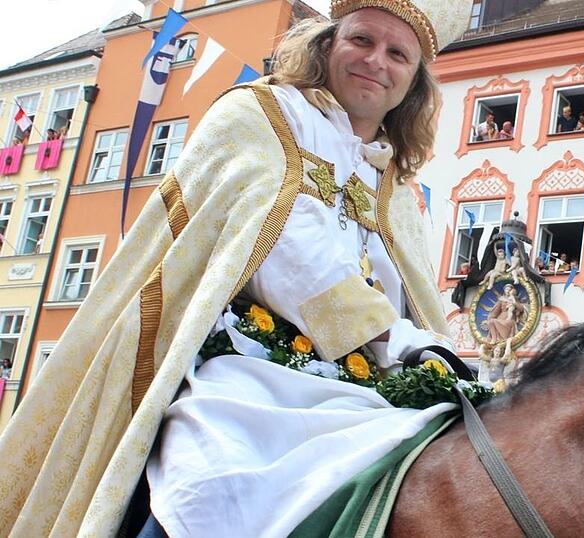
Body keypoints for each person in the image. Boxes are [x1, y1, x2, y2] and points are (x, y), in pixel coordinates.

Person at [0, 2, 476, 537]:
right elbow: (288, 254)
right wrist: (403, 342)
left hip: (370, 380)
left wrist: (433, 358)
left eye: (397, 54)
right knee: (211, 472)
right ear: (326, 44)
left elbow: (407, 293)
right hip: (242, 363)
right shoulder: (261, 114)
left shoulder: (398, 192)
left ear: (413, 83)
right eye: (361, 40)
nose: (376, 61)